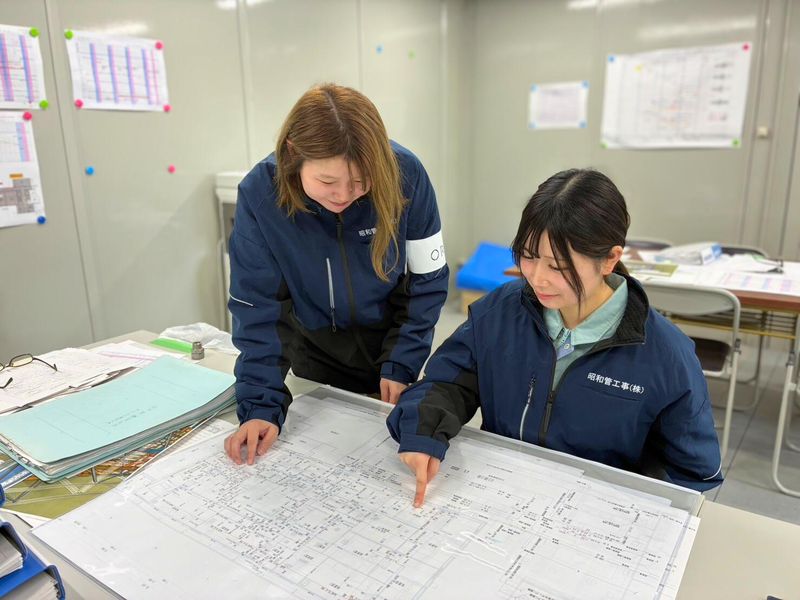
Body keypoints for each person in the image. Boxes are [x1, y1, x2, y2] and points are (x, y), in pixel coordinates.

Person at [387, 168, 723, 507]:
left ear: (610, 259)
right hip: (500, 497)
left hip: (590, 515)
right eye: (528, 256)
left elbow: (692, 472)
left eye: (558, 267)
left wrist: (621, 506)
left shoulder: (666, 356)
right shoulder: (501, 312)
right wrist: (422, 433)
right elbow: (446, 384)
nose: (537, 278)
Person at [224, 84, 449, 465]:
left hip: (392, 347)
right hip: (314, 353)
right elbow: (258, 307)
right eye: (327, 182)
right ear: (293, 154)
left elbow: (426, 280)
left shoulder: (406, 175)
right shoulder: (262, 194)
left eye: (361, 182)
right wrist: (260, 404)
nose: (343, 195)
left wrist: (402, 361)